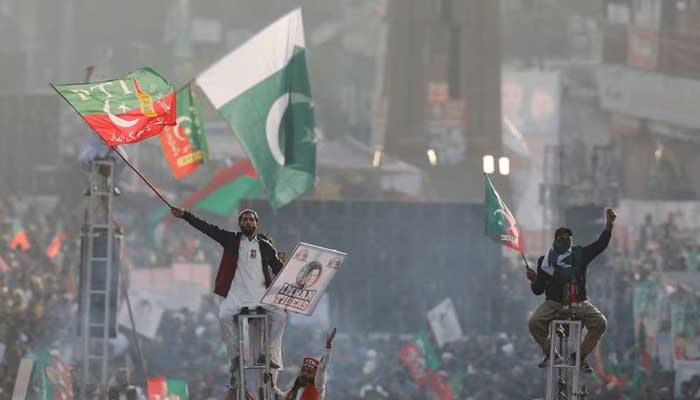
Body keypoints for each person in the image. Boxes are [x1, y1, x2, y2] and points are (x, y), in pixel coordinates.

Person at [171, 207, 287, 399]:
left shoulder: (265, 246)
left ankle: (267, 353)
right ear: (240, 223)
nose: (248, 222)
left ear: (256, 224)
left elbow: (279, 269)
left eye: (251, 219)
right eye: (245, 219)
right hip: (237, 295)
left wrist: (291, 271)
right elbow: (207, 228)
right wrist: (185, 215)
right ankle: (235, 356)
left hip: (261, 295)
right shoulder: (231, 240)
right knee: (224, 315)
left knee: (281, 316)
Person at [526, 208, 616, 373]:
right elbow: (538, 290)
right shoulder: (545, 262)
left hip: (579, 302)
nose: (565, 241)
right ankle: (551, 353)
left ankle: (580, 356)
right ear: (555, 241)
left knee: (600, 323)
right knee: (534, 322)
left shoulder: (580, 255)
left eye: (568, 238)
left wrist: (608, 226)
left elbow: (600, 245)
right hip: (554, 303)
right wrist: (533, 280)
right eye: (561, 238)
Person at [276, 328, 335, 400]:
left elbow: (322, 368)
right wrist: (272, 386)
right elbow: (281, 397)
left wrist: (328, 347)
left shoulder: (317, 387)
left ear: (315, 375)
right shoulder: (294, 390)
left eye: (309, 372)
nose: (305, 374)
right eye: (303, 370)